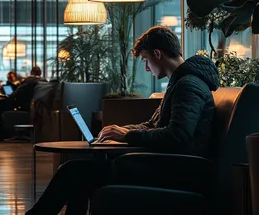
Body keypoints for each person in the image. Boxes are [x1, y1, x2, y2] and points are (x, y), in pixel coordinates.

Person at [25, 26, 219, 215]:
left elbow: (178, 136)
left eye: (145, 60)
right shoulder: (179, 83)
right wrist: (120, 131)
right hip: (168, 164)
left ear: (157, 54)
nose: (146, 67)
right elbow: (153, 125)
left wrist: (127, 135)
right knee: (76, 171)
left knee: (73, 170)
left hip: (178, 170)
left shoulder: (188, 85)